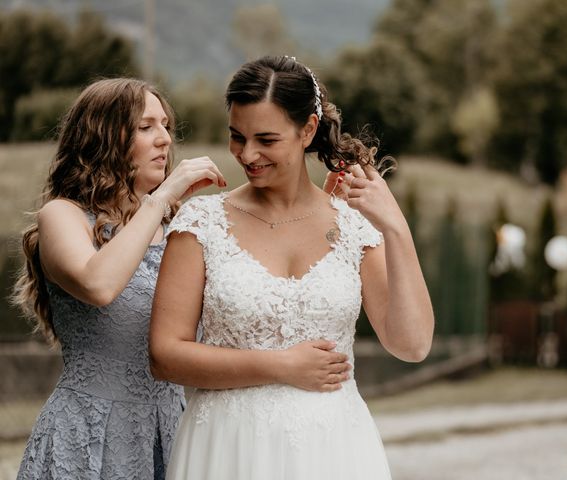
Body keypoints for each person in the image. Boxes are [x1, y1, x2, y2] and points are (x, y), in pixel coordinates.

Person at [12, 77, 350, 479]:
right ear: (100, 136)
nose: (164, 140)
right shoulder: (63, 216)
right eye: (146, 127)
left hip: (176, 433)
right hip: (89, 436)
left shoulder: (179, 228)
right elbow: (97, 285)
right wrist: (161, 199)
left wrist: (316, 219)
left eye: (166, 126)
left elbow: (246, 308)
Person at [149, 55, 435, 479]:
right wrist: (280, 365)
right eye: (237, 137)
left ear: (307, 130)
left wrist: (395, 227)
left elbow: (411, 346)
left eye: (266, 139)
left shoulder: (353, 226)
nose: (248, 154)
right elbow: (165, 356)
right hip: (229, 448)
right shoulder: (201, 223)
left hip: (333, 449)